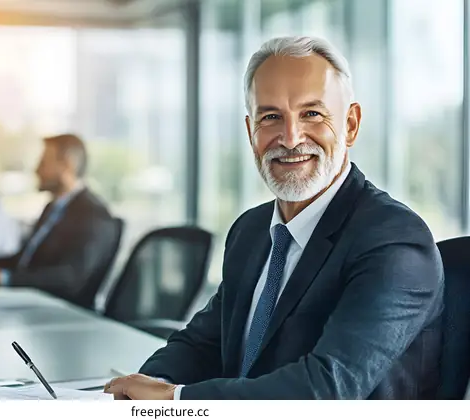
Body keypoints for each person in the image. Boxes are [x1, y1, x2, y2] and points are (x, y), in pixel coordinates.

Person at [104, 36, 444, 400]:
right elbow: (203, 343)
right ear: (252, 132)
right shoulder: (251, 230)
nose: (291, 137)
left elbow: (327, 390)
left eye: (311, 114)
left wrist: (176, 400)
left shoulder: (394, 240)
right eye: (271, 117)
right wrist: (135, 392)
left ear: (350, 125)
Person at [0, 134, 120, 309]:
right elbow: (27, 260)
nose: (36, 170)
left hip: (60, 313)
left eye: (43, 163)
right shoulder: (52, 208)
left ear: (67, 165)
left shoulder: (93, 215)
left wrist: (3, 278)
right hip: (28, 302)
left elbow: (71, 278)